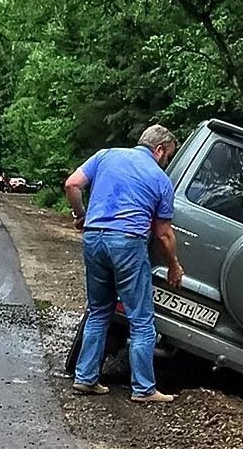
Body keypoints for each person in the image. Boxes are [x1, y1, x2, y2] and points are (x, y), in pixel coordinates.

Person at [64, 124, 184, 403]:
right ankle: (144, 389)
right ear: (159, 149)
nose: (166, 163)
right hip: (128, 243)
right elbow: (164, 234)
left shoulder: (105, 155)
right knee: (141, 319)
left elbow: (72, 184)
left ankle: (85, 379)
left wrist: (81, 215)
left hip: (94, 238)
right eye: (167, 157)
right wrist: (174, 266)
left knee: (98, 310)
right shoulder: (160, 179)